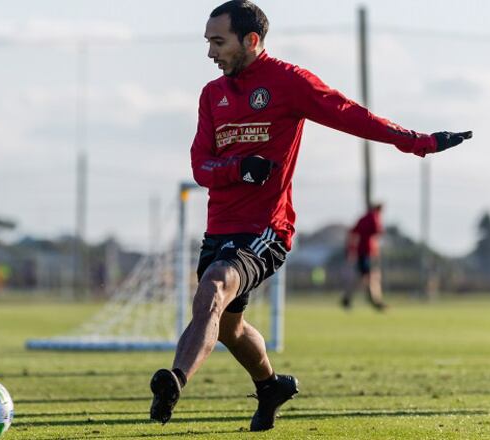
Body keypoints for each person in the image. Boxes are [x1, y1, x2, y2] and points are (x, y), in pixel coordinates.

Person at [148, 0, 472, 432]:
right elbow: (200, 167)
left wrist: (419, 142)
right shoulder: (212, 95)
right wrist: (238, 168)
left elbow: (352, 116)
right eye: (208, 42)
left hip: (268, 228)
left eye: (218, 42)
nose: (210, 53)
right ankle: (270, 386)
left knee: (213, 287)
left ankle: (176, 379)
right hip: (219, 229)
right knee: (229, 327)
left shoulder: (289, 82)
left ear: (251, 40)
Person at [342, 203, 387, 310]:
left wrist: (350, 249)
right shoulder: (374, 217)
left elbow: (352, 232)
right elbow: (378, 230)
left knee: (367, 276)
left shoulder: (362, 219)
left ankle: (350, 298)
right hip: (368, 252)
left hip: (363, 252)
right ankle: (374, 300)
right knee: (370, 276)